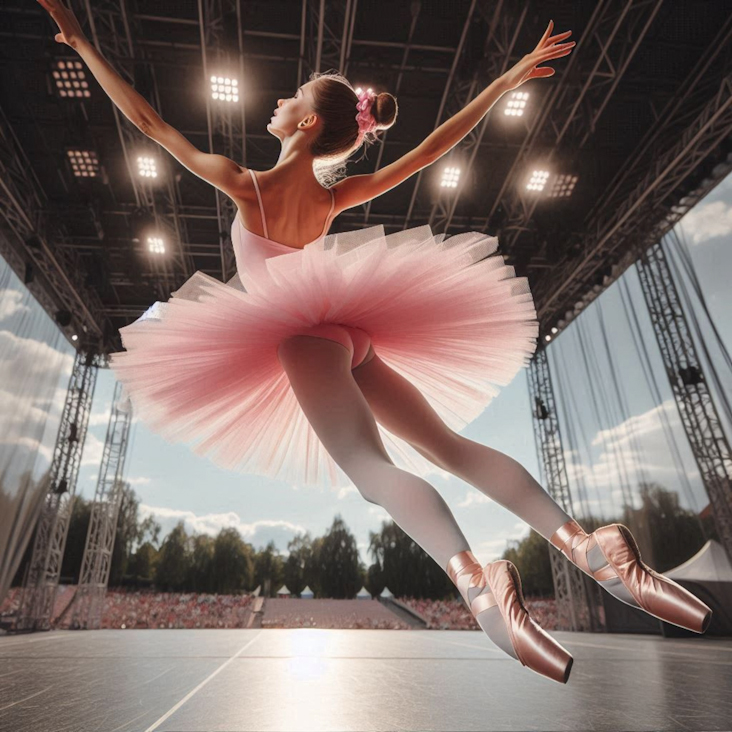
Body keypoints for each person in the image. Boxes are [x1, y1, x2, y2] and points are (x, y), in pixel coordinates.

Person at [39, 0, 711, 685]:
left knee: (369, 471)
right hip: (352, 331)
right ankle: (588, 544)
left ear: (305, 122)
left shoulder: (250, 187)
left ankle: (481, 586)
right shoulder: (334, 197)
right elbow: (427, 152)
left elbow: (148, 123)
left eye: (291, 96)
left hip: (303, 336)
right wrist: (501, 85)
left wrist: (85, 42)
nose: (278, 100)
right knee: (448, 446)